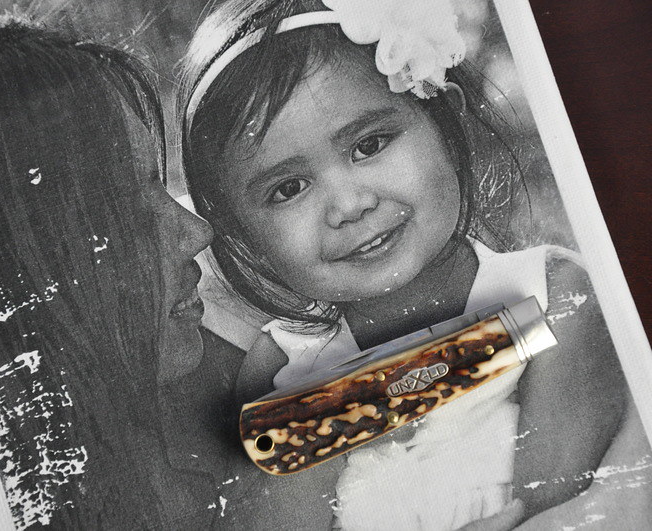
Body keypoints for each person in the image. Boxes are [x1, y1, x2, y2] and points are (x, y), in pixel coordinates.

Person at [177, 0, 647, 528]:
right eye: (289, 189)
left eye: (369, 145)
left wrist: (341, 410)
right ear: (245, 236)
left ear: (448, 123)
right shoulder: (282, 362)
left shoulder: (552, 293)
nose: (349, 205)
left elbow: (547, 512)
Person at [0, 17, 237, 529]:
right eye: (121, 211)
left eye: (159, 184)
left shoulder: (245, 394)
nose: (196, 232)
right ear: (2, 272)